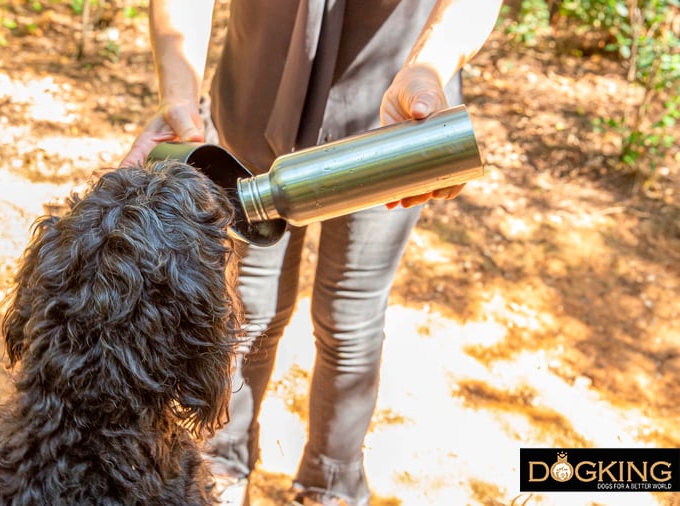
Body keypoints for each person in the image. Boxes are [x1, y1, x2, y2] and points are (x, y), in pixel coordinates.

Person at [122, 1, 502, 505]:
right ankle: (221, 465)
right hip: (253, 109)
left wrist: (429, 66)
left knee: (350, 314)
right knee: (244, 309)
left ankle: (331, 484)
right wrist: (180, 97)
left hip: (391, 124)